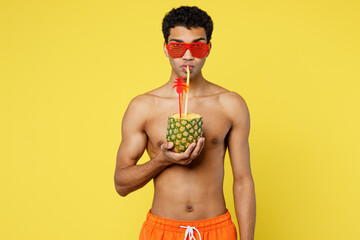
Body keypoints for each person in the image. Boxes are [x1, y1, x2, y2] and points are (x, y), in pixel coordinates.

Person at [114, 6, 256, 240]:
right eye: (177, 46)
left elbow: (243, 181)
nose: (187, 56)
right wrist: (162, 160)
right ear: (165, 48)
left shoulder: (230, 104)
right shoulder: (143, 107)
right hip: (162, 230)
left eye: (197, 46)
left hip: (216, 229)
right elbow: (121, 184)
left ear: (208, 49)